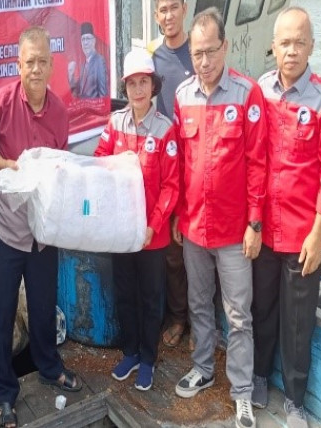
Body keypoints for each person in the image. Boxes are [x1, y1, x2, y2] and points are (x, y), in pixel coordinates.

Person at [0, 26, 79, 428]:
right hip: (3, 229)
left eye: (42, 61)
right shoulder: (0, 102)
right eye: (28, 61)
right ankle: (4, 392)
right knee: (0, 313)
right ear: (18, 64)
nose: (35, 68)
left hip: (42, 230)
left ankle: (49, 368)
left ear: (52, 65)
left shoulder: (60, 112)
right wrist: (5, 164)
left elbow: (61, 165)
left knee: (42, 306)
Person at [171, 8, 267, 428]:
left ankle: (242, 392)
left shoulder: (247, 95)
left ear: (225, 47)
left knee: (239, 314)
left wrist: (255, 223)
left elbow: (258, 163)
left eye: (211, 51)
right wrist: (177, 214)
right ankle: (204, 368)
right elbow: (180, 163)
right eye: (197, 54)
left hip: (233, 232)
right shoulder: (182, 96)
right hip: (193, 227)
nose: (204, 62)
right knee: (198, 304)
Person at [253, 7, 321, 428]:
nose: (291, 51)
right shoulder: (260, 92)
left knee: (297, 322)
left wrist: (317, 234)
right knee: (261, 308)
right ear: (273, 45)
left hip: (302, 235)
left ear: (311, 46)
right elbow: (251, 159)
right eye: (284, 42)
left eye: (299, 42)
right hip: (262, 228)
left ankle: (294, 400)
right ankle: (257, 376)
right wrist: (250, 222)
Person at [94, 50, 179, 391]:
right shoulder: (115, 123)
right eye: (132, 84)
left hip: (151, 236)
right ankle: (129, 352)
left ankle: (148, 358)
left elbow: (172, 186)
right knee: (124, 293)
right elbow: (100, 162)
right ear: (125, 88)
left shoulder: (166, 130)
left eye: (144, 82)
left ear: (153, 86)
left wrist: (152, 225)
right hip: (121, 232)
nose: (138, 90)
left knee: (150, 297)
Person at [148, 0, 194, 349]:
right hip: (169, 167)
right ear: (155, 14)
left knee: (203, 252)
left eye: (173, 7)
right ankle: (179, 317)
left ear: (185, 8)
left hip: (201, 165)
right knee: (173, 253)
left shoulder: (199, 53)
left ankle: (202, 320)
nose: (168, 15)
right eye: (162, 10)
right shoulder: (152, 60)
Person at [67, 21, 107, 98]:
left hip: (95, 109)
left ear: (94, 41)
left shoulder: (99, 61)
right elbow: (76, 91)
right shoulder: (83, 65)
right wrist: (70, 74)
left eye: (88, 38)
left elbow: (103, 94)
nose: (85, 43)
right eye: (83, 39)